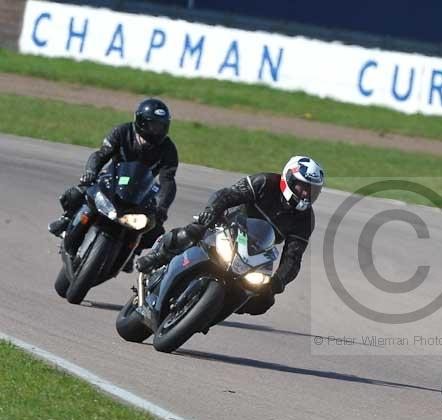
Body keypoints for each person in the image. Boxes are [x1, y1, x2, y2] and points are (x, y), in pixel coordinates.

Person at [135, 155, 324, 316]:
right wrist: (212, 210)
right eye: (302, 186)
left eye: (312, 190)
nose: (306, 193)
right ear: (288, 178)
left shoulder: (305, 220)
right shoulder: (264, 182)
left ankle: (210, 312)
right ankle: (156, 257)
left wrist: (278, 282)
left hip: (255, 252)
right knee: (191, 232)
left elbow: (293, 257)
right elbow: (227, 195)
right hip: (226, 226)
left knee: (264, 300)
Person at [48, 98, 178, 271]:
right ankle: (66, 220)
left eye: (161, 126)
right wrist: (90, 172)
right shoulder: (122, 131)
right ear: (140, 121)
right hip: (111, 179)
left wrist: (163, 207)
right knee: (77, 193)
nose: (156, 130)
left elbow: (168, 181)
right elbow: (101, 155)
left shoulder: (168, 149)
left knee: (156, 229)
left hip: (141, 192)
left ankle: (133, 251)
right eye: (153, 125)